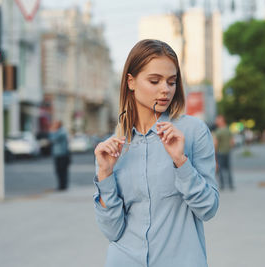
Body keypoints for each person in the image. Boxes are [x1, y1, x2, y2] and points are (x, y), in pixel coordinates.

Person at [93, 39, 219, 267]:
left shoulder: (192, 132)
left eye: (171, 82)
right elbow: (112, 230)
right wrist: (105, 174)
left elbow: (208, 208)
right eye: (155, 81)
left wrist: (180, 161)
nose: (165, 89)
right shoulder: (113, 148)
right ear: (130, 82)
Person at [213, 115, 234, 190]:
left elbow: (215, 143)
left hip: (220, 152)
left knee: (221, 169)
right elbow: (232, 142)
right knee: (228, 169)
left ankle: (222, 185)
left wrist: (214, 154)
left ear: (221, 121)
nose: (216, 121)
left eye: (217, 120)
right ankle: (231, 185)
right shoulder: (228, 130)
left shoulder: (218, 131)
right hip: (227, 152)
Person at [49, 120, 70, 191]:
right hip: (58, 154)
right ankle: (61, 185)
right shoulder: (60, 131)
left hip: (62, 154)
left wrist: (52, 131)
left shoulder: (61, 132)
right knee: (58, 171)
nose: (54, 126)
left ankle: (63, 186)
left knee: (62, 171)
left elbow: (53, 139)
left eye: (55, 124)